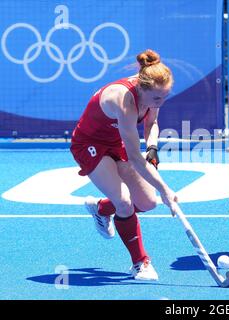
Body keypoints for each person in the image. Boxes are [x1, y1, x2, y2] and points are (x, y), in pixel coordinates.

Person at [70, 49, 177, 281]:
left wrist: (152, 148)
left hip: (113, 141)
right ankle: (140, 263)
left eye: (165, 97)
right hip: (89, 144)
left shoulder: (152, 92)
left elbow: (153, 123)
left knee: (147, 202)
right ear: (142, 89)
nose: (161, 102)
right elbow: (136, 160)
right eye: (158, 99)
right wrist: (165, 189)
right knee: (126, 202)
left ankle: (101, 209)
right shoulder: (125, 102)